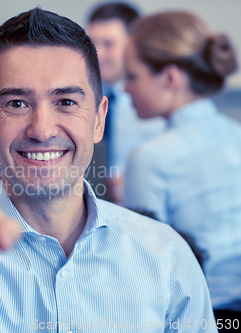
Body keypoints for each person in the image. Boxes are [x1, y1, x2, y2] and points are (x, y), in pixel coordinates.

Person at [0, 8, 216, 332]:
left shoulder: (168, 257)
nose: (42, 130)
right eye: (16, 103)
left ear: (99, 119)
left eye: (66, 102)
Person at [123, 11, 241, 330]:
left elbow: (141, 275)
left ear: (170, 78)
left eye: (132, 76)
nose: (125, 89)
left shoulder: (151, 157)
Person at [87, 2, 165, 203]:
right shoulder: (79, 98)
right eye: (92, 43)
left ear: (133, 44)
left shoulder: (155, 103)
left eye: (108, 44)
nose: (97, 54)